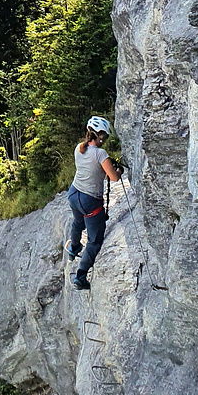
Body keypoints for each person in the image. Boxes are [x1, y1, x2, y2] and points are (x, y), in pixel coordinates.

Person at [66, 116, 121, 290]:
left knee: (78, 222)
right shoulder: (100, 153)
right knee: (94, 241)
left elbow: (93, 170)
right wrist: (118, 169)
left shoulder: (79, 149)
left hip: (74, 194)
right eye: (104, 136)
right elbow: (113, 177)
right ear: (99, 135)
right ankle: (80, 277)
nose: (104, 139)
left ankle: (74, 248)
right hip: (90, 201)